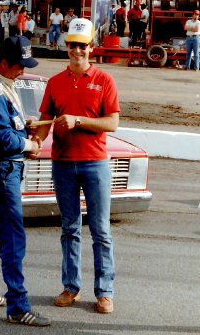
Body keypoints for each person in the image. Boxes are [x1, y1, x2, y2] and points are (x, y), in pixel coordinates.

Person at [32, 18, 119, 315]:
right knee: (70, 228)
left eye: (82, 46)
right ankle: (71, 286)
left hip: (95, 163)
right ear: (66, 46)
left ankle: (105, 292)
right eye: (72, 46)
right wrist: (34, 140)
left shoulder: (104, 80)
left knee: (101, 230)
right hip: (63, 163)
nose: (77, 51)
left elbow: (113, 122)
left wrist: (78, 120)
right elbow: (45, 119)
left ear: (91, 48)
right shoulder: (55, 82)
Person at [0, 35, 50, 327]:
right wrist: (29, 145)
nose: (23, 71)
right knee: (12, 238)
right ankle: (18, 305)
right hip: (1, 170)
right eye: (19, 65)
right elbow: (2, 138)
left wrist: (22, 125)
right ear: (3, 62)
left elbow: (6, 127)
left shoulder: (1, 84)